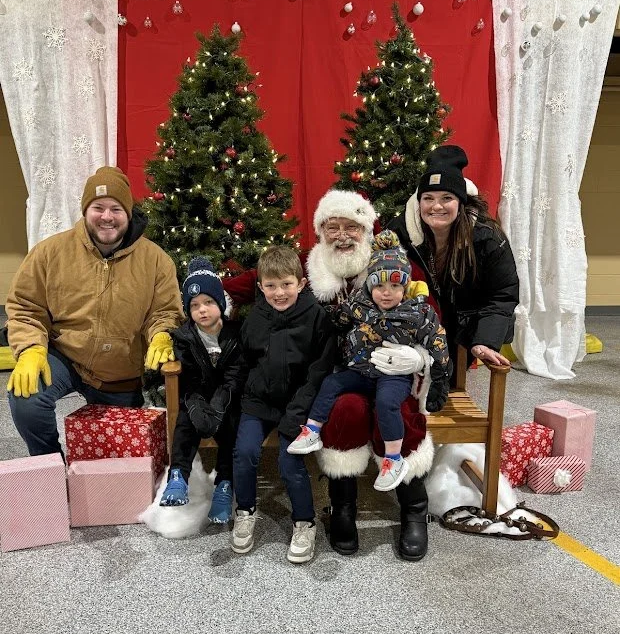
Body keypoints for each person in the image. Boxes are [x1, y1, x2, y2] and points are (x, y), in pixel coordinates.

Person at [224, 190, 437, 563]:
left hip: (393, 371)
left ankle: (413, 508)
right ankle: (342, 508)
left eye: (351, 227)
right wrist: (210, 296)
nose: (342, 235)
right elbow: (251, 282)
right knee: (346, 412)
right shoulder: (311, 267)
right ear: (321, 232)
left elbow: (431, 321)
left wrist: (417, 357)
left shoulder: (393, 265)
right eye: (332, 227)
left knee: (401, 414)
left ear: (367, 229)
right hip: (339, 375)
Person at [6, 166, 184, 456]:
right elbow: (26, 307)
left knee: (113, 455)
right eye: (97, 207)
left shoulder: (156, 260)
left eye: (116, 208)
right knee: (25, 397)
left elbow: (165, 311)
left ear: (128, 213)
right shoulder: (49, 252)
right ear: (85, 210)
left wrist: (162, 335)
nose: (106, 217)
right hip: (65, 356)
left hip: (119, 370)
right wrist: (30, 349)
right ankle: (49, 463)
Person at [288, 230, 451, 495]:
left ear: (405, 286)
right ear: (370, 285)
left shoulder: (417, 311)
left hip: (393, 375)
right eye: (380, 286)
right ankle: (312, 430)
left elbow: (439, 344)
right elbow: (336, 320)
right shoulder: (360, 303)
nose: (387, 293)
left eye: (395, 286)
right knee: (332, 384)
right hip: (361, 371)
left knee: (388, 404)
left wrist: (433, 374)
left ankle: (393, 459)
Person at [230, 245, 337, 564]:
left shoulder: (317, 317)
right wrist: (243, 398)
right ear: (260, 287)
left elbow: (319, 373)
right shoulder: (256, 316)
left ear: (301, 283)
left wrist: (296, 416)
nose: (279, 292)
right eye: (271, 286)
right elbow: (247, 360)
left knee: (289, 461)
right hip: (260, 400)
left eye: (287, 284)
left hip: (298, 404)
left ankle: (304, 522)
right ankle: (245, 510)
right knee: (245, 452)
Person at [386, 145, 519, 370]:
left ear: (460, 202)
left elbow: (502, 295)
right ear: (419, 203)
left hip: (462, 337)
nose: (436, 206)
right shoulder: (398, 233)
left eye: (446, 197)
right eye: (428, 198)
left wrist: (485, 340)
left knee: (440, 385)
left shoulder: (487, 239)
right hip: (411, 332)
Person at [159, 257, 246, 523]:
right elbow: (190, 377)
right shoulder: (185, 337)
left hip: (228, 398)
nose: (203, 310)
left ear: (220, 303)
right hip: (197, 396)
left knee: (232, 429)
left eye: (209, 302)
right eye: (195, 305)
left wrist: (220, 403)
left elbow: (236, 375)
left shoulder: (235, 334)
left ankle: (224, 484)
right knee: (186, 423)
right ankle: (178, 476)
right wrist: (196, 403)